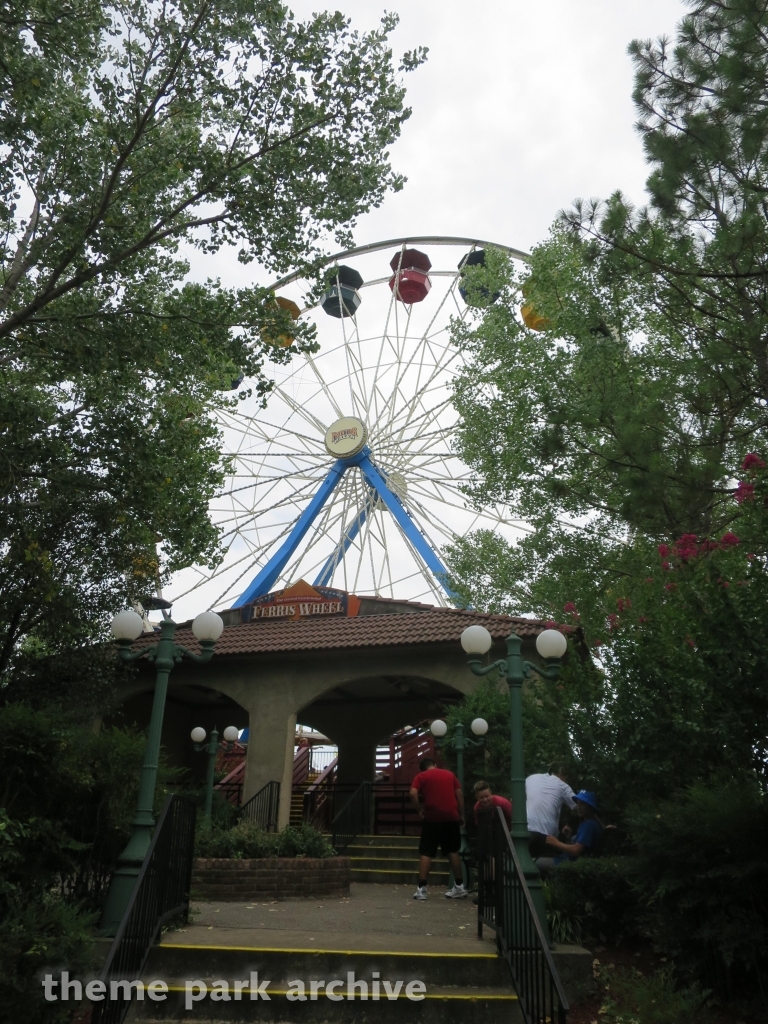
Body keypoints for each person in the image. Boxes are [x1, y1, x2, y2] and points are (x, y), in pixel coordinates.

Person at [409, 757, 467, 900]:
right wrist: (461, 814)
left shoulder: (421, 776)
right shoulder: (449, 774)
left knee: (426, 851)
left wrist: (419, 810)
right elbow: (459, 793)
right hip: (451, 817)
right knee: (452, 850)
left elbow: (412, 793)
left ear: (422, 769)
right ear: (435, 765)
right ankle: (459, 886)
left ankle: (422, 889)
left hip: (432, 818)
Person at [535, 790, 603, 876]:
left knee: (538, 862)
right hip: (569, 859)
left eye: (583, 804)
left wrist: (556, 843)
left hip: (571, 862)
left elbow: (576, 850)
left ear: (590, 807)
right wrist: (568, 837)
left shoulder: (589, 825)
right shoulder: (588, 823)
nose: (579, 807)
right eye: (578, 804)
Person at [526, 764, 576, 858]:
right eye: (567, 779)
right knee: (541, 865)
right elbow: (579, 807)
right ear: (561, 774)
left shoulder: (531, 778)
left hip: (525, 829)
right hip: (546, 835)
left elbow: (515, 799)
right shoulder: (563, 785)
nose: (567, 781)